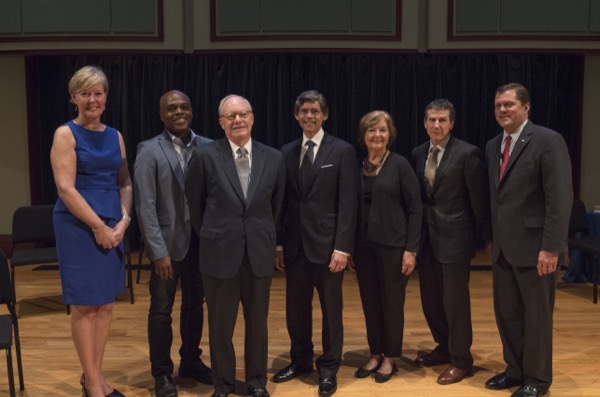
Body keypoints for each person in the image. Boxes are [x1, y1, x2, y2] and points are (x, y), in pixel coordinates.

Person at [186, 94, 285, 397]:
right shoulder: (205, 156)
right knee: (220, 327)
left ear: (252, 118)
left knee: (258, 325)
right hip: (219, 255)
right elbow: (196, 204)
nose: (238, 120)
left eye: (243, 114)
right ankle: (223, 384)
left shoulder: (274, 158)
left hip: (258, 254)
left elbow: (276, 206)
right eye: (231, 116)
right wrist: (216, 236)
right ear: (221, 123)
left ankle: (256, 383)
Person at [484, 83, 572, 397]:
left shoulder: (548, 141)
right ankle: (515, 369)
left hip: (538, 250)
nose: (503, 110)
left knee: (536, 318)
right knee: (506, 314)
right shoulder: (494, 145)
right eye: (498, 106)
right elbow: (499, 199)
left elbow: (559, 199)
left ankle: (537, 379)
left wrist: (551, 247)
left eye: (509, 104)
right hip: (504, 249)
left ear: (526, 107)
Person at [50, 65, 132, 397]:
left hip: (114, 226)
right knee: (86, 305)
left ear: (106, 97)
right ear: (74, 98)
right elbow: (66, 190)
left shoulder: (116, 136)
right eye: (85, 93)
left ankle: (93, 377)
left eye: (98, 92)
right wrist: (98, 227)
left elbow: (125, 182)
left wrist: (124, 221)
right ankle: (94, 383)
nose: (92, 99)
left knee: (106, 304)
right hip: (79, 226)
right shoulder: (65, 134)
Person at [274, 90, 357, 397]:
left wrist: (342, 248)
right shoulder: (286, 151)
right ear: (297, 116)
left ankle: (329, 367)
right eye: (303, 111)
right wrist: (279, 246)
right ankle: (300, 360)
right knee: (295, 309)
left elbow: (348, 204)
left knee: (331, 311)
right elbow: (281, 203)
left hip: (328, 248)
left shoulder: (342, 151)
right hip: (295, 247)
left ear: (325, 115)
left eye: (314, 111)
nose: (309, 116)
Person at [134, 90, 212, 397]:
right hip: (166, 246)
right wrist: (157, 251)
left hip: (201, 244)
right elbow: (145, 206)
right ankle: (162, 373)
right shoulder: (149, 150)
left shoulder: (209, 146)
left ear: (191, 111)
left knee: (195, 305)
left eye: (184, 107)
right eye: (171, 108)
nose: (178, 112)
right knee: (161, 310)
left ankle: (191, 360)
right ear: (161, 114)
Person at [410, 99, 489, 385]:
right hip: (426, 242)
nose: (437, 125)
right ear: (424, 122)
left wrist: (482, 238)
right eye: (432, 119)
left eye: (443, 120)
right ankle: (443, 347)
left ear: (452, 123)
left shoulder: (468, 154)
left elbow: (479, 202)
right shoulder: (418, 153)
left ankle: (461, 359)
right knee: (431, 302)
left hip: (455, 242)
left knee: (455, 304)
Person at [350, 111, 421, 383]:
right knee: (370, 303)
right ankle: (375, 352)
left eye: (381, 130)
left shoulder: (401, 165)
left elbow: (416, 210)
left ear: (389, 134)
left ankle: (390, 357)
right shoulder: (356, 166)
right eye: (371, 131)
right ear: (363, 136)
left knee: (392, 304)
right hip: (364, 249)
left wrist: (411, 249)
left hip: (394, 248)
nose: (376, 135)